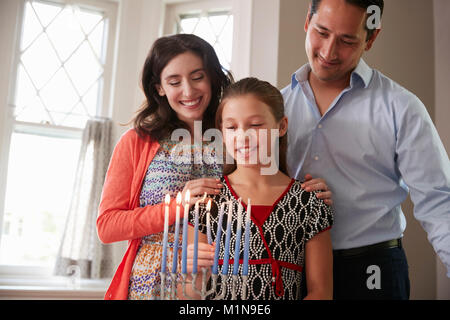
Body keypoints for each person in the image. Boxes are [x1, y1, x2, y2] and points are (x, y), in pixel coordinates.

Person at [97, 34, 331, 300]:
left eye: (198, 77)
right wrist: (178, 207)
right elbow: (107, 226)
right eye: (174, 82)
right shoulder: (138, 141)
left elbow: (261, 191)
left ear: (212, 77)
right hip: (150, 284)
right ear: (159, 87)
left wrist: (307, 194)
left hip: (221, 285)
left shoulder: (231, 136)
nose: (188, 91)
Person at [282, 0, 450, 300]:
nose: (329, 52)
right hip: (293, 267)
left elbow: (440, 203)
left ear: (371, 38)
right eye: (322, 32)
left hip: (375, 270)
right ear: (307, 21)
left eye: (347, 41)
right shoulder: (276, 107)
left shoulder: (402, 107)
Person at [185, 77, 334, 300]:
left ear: (281, 126)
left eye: (255, 125)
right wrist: (190, 272)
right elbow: (189, 293)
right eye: (232, 127)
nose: (242, 136)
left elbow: (321, 292)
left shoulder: (309, 202)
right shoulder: (207, 201)